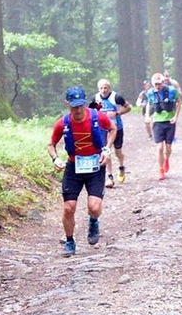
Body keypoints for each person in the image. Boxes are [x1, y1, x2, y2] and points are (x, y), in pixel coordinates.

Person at [48, 86, 116, 256]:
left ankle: (93, 221)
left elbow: (113, 129)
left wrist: (107, 149)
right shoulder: (63, 123)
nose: (78, 110)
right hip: (73, 168)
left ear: (85, 103)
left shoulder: (97, 116)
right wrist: (55, 159)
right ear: (67, 104)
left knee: (94, 207)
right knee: (68, 208)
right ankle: (70, 241)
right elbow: (51, 144)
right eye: (74, 106)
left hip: (95, 167)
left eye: (80, 105)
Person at [90, 78, 130, 186]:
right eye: (101, 88)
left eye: (105, 88)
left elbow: (128, 107)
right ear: (98, 89)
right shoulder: (96, 98)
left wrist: (116, 113)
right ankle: (109, 176)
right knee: (106, 151)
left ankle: (121, 167)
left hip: (117, 128)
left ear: (109, 88)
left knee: (118, 152)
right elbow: (92, 112)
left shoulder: (116, 97)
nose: (103, 90)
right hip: (102, 129)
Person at [144, 72, 182, 180]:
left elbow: (179, 102)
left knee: (168, 148)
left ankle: (166, 160)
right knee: (159, 147)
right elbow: (149, 104)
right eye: (155, 84)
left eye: (159, 84)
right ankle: (161, 170)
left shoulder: (171, 91)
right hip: (158, 122)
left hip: (170, 122)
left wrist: (176, 116)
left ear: (162, 82)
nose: (157, 86)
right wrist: (147, 115)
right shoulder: (151, 93)